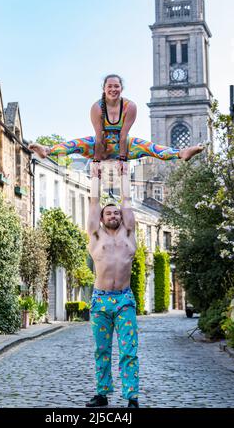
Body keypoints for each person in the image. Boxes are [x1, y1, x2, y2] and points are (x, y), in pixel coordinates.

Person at [28, 74, 204, 163]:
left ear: (121, 88)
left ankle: (181, 153)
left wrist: (122, 160)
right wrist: (97, 160)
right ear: (104, 89)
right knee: (77, 144)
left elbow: (124, 135)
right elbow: (98, 137)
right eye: (110, 86)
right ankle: (47, 150)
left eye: (117, 86)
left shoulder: (130, 106)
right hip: (100, 145)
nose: (113, 89)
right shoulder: (97, 107)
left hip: (124, 146)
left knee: (150, 147)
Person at [86, 161, 139, 408]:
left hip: (124, 300)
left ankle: (132, 397)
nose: (114, 215)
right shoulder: (96, 237)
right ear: (102, 217)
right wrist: (94, 177)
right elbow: (93, 203)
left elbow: (127, 202)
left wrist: (124, 175)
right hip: (101, 300)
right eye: (109, 213)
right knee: (102, 350)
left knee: (129, 350)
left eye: (116, 213)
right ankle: (102, 394)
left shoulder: (129, 236)